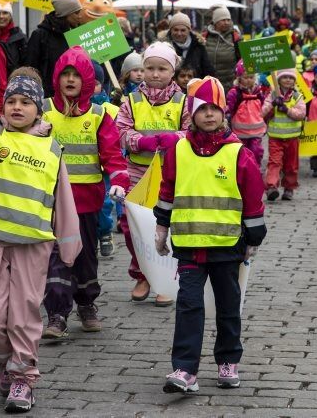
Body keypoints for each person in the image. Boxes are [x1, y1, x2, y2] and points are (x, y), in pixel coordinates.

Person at [0, 64, 81, 413]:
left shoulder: (53, 149)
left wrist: (69, 244)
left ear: (39, 109)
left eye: (26, 102)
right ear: (2, 106)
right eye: (11, 101)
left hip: (33, 244)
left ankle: (23, 376)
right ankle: (6, 359)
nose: (17, 107)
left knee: (22, 313)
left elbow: (62, 199)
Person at [153, 76, 266, 394]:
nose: (209, 114)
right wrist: (162, 227)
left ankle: (228, 361)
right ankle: (184, 369)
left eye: (215, 109)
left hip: (226, 245)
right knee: (189, 306)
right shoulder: (179, 150)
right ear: (193, 112)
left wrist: (253, 238)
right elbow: (167, 189)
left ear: (224, 113)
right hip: (189, 245)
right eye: (203, 109)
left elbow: (253, 195)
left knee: (229, 305)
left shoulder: (237, 153)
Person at [40, 47, 129, 339]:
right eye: (65, 73)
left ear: (87, 79)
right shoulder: (44, 110)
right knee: (57, 257)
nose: (69, 79)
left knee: (86, 257)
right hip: (51, 202)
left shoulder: (98, 114)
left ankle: (87, 303)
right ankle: (56, 313)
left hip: (87, 203)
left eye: (76, 75)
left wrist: (118, 179)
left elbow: (112, 153)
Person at [115, 42, 190, 306]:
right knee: (134, 226)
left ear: (173, 71)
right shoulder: (132, 100)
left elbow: (191, 132)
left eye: (162, 69)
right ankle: (142, 273)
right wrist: (140, 142)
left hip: (171, 174)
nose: (155, 74)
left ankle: (164, 278)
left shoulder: (183, 101)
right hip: (138, 172)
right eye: (149, 68)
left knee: (165, 225)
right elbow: (121, 131)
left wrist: (172, 139)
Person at [26, 0, 90, 96]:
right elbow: (30, 67)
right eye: (76, 13)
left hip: (72, 94)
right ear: (65, 14)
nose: (80, 16)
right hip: (47, 95)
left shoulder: (76, 34)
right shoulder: (40, 35)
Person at [262, 69, 306, 202]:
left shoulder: (297, 96)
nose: (288, 80)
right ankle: (271, 187)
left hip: (292, 138)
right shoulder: (272, 95)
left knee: (291, 165)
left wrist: (287, 110)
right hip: (275, 137)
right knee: (274, 163)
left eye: (291, 78)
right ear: (278, 80)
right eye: (284, 77)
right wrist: (273, 105)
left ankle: (289, 188)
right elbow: (262, 112)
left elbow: (301, 114)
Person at [226, 60, 267, 166]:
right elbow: (228, 108)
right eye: (245, 77)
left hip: (256, 131)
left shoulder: (259, 92)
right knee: (241, 154)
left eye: (251, 77)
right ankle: (242, 172)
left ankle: (255, 169)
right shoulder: (234, 93)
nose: (249, 80)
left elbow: (263, 107)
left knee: (256, 152)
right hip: (240, 132)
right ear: (239, 78)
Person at [0, 0, 30, 75]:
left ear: (10, 16)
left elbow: (27, 66)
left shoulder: (21, 39)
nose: (1, 16)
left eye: (5, 13)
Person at [165, 13, 215, 78]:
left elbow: (207, 69)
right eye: (176, 30)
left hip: (196, 85)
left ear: (189, 30)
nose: (179, 33)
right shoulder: (164, 46)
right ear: (170, 30)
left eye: (183, 30)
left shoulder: (198, 45)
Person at [204, 7, 238, 89]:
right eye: (223, 20)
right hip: (209, 85)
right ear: (215, 22)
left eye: (228, 20)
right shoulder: (205, 36)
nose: (226, 23)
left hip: (229, 85)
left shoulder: (235, 37)